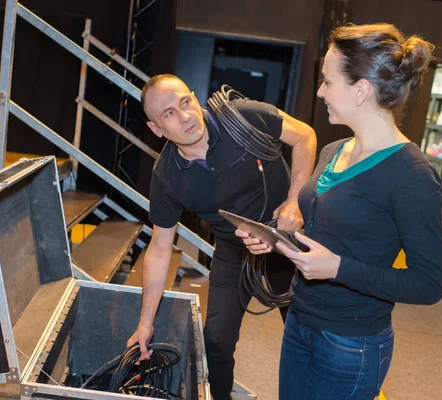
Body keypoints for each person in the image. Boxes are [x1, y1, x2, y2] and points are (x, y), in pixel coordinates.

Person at [237, 23, 442, 399]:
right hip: (300, 321)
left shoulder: (411, 174)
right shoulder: (334, 151)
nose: (319, 92)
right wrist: (274, 237)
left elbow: (429, 284)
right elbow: (325, 233)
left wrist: (337, 269)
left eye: (327, 82)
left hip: (352, 343)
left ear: (361, 89)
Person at [126, 74, 317, 400]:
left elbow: (305, 136)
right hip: (235, 250)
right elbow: (159, 249)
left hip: (288, 237)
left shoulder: (244, 116)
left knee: (308, 339)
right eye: (169, 113)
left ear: (194, 96)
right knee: (215, 342)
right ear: (157, 129)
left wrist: (295, 200)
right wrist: (145, 322)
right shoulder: (168, 177)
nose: (185, 116)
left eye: (185, 101)